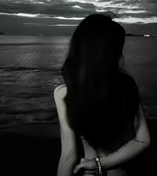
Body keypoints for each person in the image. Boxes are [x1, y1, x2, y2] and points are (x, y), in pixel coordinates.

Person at [54, 14, 150, 176]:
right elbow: (143, 140)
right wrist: (100, 164)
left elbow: (68, 156)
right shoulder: (127, 85)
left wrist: (95, 164)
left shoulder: (64, 92)